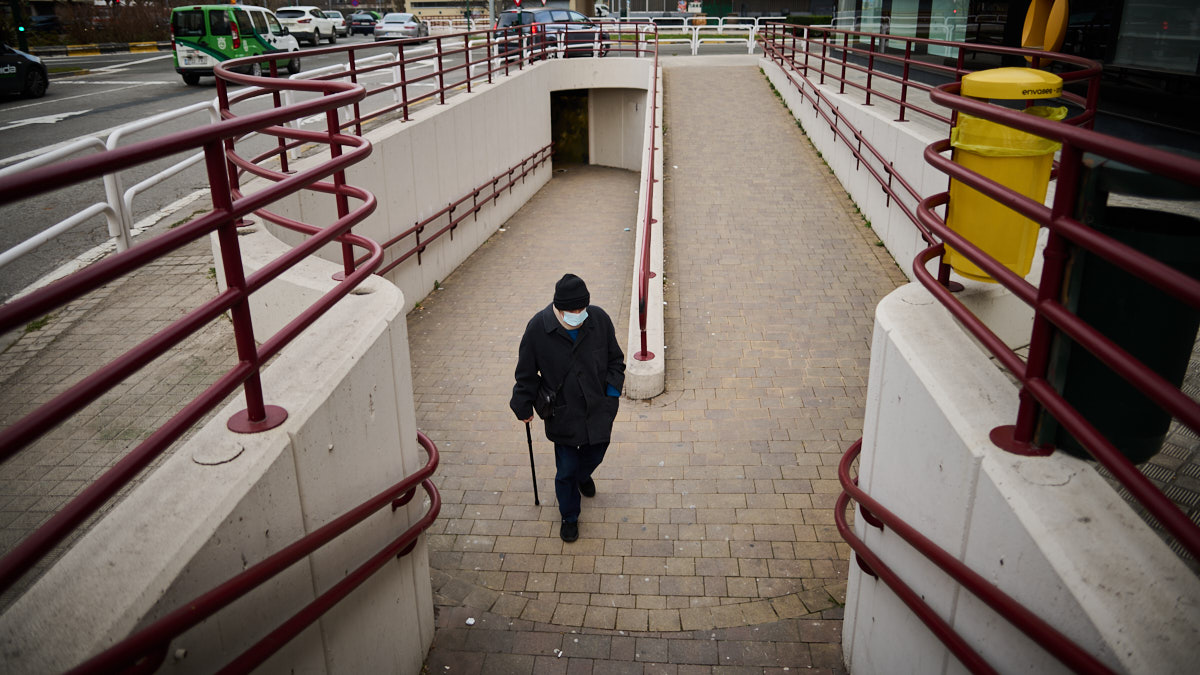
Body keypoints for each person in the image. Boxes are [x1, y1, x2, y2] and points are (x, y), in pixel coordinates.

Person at [510, 274, 625, 542]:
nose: (579, 314)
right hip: (563, 413)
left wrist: (611, 395)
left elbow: (615, 360)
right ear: (559, 308)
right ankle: (569, 515)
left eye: (583, 308)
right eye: (573, 310)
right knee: (566, 470)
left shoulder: (599, 319)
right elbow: (526, 375)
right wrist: (522, 406)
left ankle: (582, 476)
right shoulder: (537, 329)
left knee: (596, 453)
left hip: (598, 409)